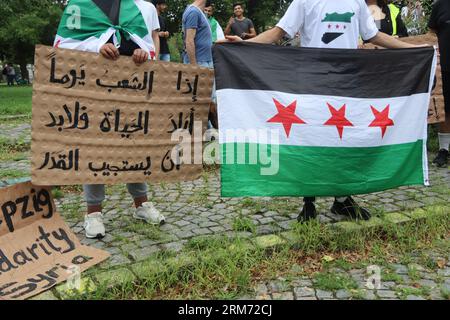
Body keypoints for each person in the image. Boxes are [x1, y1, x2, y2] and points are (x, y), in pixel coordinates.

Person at [223, 0, 425, 223]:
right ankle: (308, 202)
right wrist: (242, 43)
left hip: (347, 82)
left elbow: (373, 35)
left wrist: (413, 49)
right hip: (312, 82)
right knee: (310, 138)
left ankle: (342, 199)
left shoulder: (356, 1)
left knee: (343, 139)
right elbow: (278, 33)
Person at [54, 0, 165, 239]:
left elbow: (148, 45)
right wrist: (98, 48)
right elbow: (62, 47)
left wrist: (142, 52)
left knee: (133, 145)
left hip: (130, 87)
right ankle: (93, 213)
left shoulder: (139, 7)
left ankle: (141, 205)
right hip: (93, 87)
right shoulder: (79, 6)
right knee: (95, 147)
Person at [182, 0, 218, 128]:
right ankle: (208, 132)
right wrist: (194, 67)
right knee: (203, 101)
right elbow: (189, 41)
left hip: (206, 61)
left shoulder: (201, 12)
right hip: (200, 63)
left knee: (209, 100)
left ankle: (209, 131)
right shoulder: (193, 12)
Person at [429, 0, 450, 167]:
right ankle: (444, 150)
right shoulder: (440, 5)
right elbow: (432, 33)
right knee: (445, 110)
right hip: (445, 67)